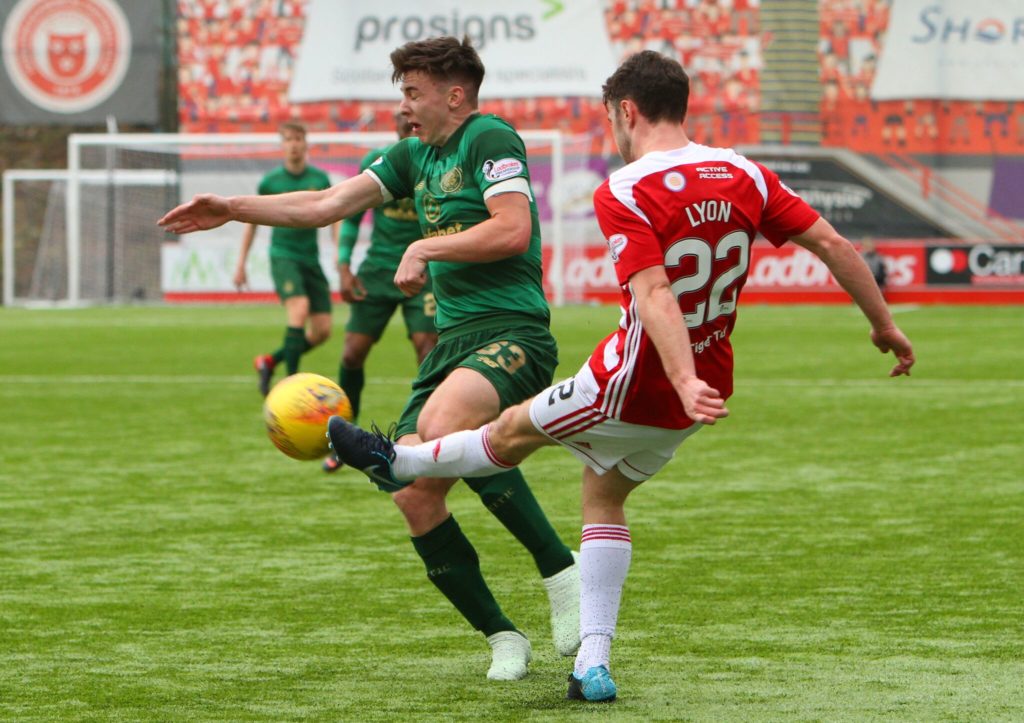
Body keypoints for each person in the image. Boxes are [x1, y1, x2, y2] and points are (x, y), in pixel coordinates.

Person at [325, 50, 917, 702]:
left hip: (633, 380)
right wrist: (883, 325)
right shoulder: (744, 172)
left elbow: (655, 292)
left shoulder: (627, 188)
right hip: (703, 392)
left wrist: (679, 375)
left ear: (626, 111)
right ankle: (592, 665)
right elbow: (832, 244)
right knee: (603, 499)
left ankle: (397, 459)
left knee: (511, 431)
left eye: (610, 117)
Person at [160, 36, 580, 682]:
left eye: (413, 92)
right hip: (451, 344)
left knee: (440, 428)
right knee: (413, 494)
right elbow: (326, 203)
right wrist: (232, 208)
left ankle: (561, 570)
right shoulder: (411, 155)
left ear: (454, 96)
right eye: (401, 93)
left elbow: (512, 229)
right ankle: (502, 635)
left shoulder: (489, 137)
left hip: (512, 329)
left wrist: (424, 248)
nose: (403, 106)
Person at [323, 114, 439, 473]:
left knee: (427, 351)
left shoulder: (439, 164)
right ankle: (344, 438)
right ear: (396, 127)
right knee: (352, 353)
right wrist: (344, 265)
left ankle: (426, 438)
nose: (409, 125)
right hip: (377, 271)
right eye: (403, 121)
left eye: (413, 120)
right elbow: (351, 215)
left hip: (425, 271)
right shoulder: (378, 161)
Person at [233, 122, 340, 396]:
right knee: (299, 309)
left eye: (298, 139)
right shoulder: (270, 183)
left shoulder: (319, 178)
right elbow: (251, 222)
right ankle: (292, 388)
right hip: (284, 256)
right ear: (282, 145)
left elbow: (335, 215)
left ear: (306, 143)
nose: (293, 144)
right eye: (288, 139)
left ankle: (269, 362)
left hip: (311, 259)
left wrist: (340, 250)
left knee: (322, 330)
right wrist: (241, 263)